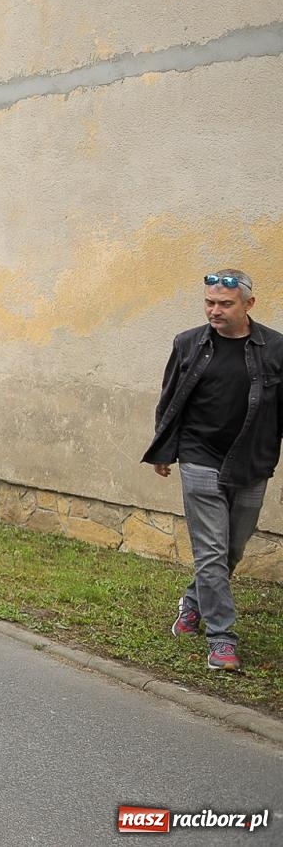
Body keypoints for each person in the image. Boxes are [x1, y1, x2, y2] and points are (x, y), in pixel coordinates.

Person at [143, 270, 282, 673]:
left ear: (248, 305)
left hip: (252, 461)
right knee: (212, 551)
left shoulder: (275, 348)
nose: (214, 311)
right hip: (200, 456)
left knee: (231, 550)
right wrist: (164, 450)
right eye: (209, 302)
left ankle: (193, 602)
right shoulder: (189, 343)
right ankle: (222, 640)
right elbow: (170, 401)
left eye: (224, 304)